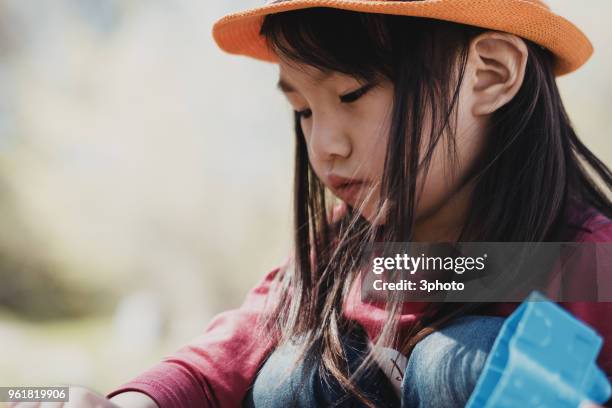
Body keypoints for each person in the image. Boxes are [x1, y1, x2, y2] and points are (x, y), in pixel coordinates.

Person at [13, 0, 612, 407]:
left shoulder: (587, 262)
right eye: (302, 109)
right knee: (294, 371)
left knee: (457, 361)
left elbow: (462, 272)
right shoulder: (341, 252)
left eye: (351, 94)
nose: (325, 144)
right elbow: (232, 346)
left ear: (489, 75)